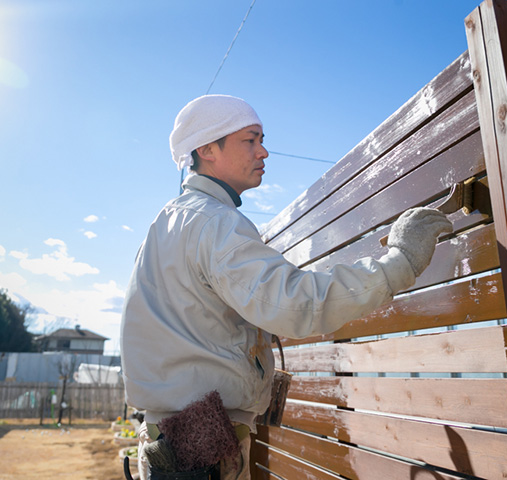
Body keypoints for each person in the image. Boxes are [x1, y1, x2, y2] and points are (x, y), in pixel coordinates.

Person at [120, 94, 452, 479]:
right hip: (200, 450)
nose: (263, 152)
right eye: (251, 139)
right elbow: (294, 304)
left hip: (175, 442)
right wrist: (398, 264)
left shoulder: (168, 223)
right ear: (207, 149)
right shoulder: (215, 223)